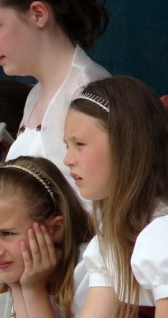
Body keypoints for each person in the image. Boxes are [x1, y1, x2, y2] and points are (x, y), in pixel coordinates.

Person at [0, 0, 110, 295]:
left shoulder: (86, 94)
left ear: (38, 14)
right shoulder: (36, 95)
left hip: (78, 288)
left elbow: (98, 217)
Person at [63, 76, 168, 317]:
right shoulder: (111, 239)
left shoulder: (162, 233)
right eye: (67, 145)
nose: (67, 159)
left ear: (128, 145)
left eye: (79, 143)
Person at [0, 156, 94, 317]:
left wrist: (33, 290)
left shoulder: (88, 270)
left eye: (7, 233)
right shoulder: (20, 275)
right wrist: (16, 285)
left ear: (54, 229)